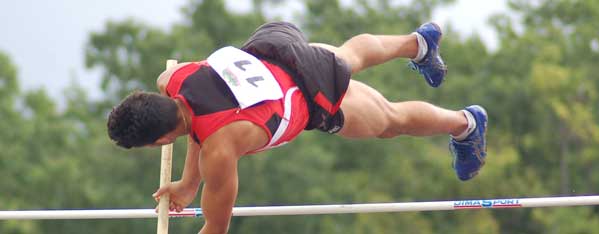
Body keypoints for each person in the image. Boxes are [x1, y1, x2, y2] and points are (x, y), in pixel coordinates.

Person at [107, 21, 488, 234]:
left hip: (307, 92)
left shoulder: (219, 153)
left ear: (160, 140)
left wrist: (193, 183)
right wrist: (188, 185)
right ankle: (419, 44)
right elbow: (194, 121)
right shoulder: (171, 78)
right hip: (274, 46)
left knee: (390, 121)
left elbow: (216, 228)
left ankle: (466, 124)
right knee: (347, 55)